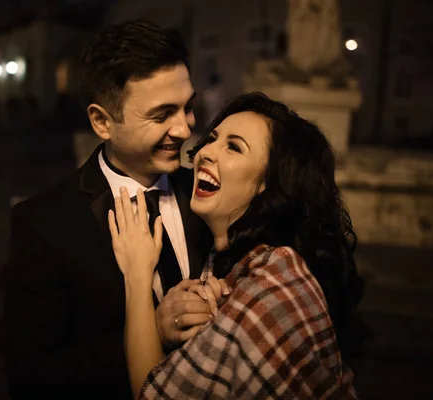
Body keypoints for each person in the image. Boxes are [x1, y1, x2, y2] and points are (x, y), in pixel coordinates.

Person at [3, 20, 216, 399]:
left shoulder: (208, 192)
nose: (184, 129)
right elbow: (33, 376)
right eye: (162, 114)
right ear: (102, 122)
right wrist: (155, 331)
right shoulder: (44, 223)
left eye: (188, 107)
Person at [109, 92, 365, 399]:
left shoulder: (275, 284)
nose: (205, 152)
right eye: (212, 138)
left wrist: (137, 275)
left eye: (234, 147)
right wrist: (163, 328)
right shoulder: (233, 262)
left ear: (269, 183)